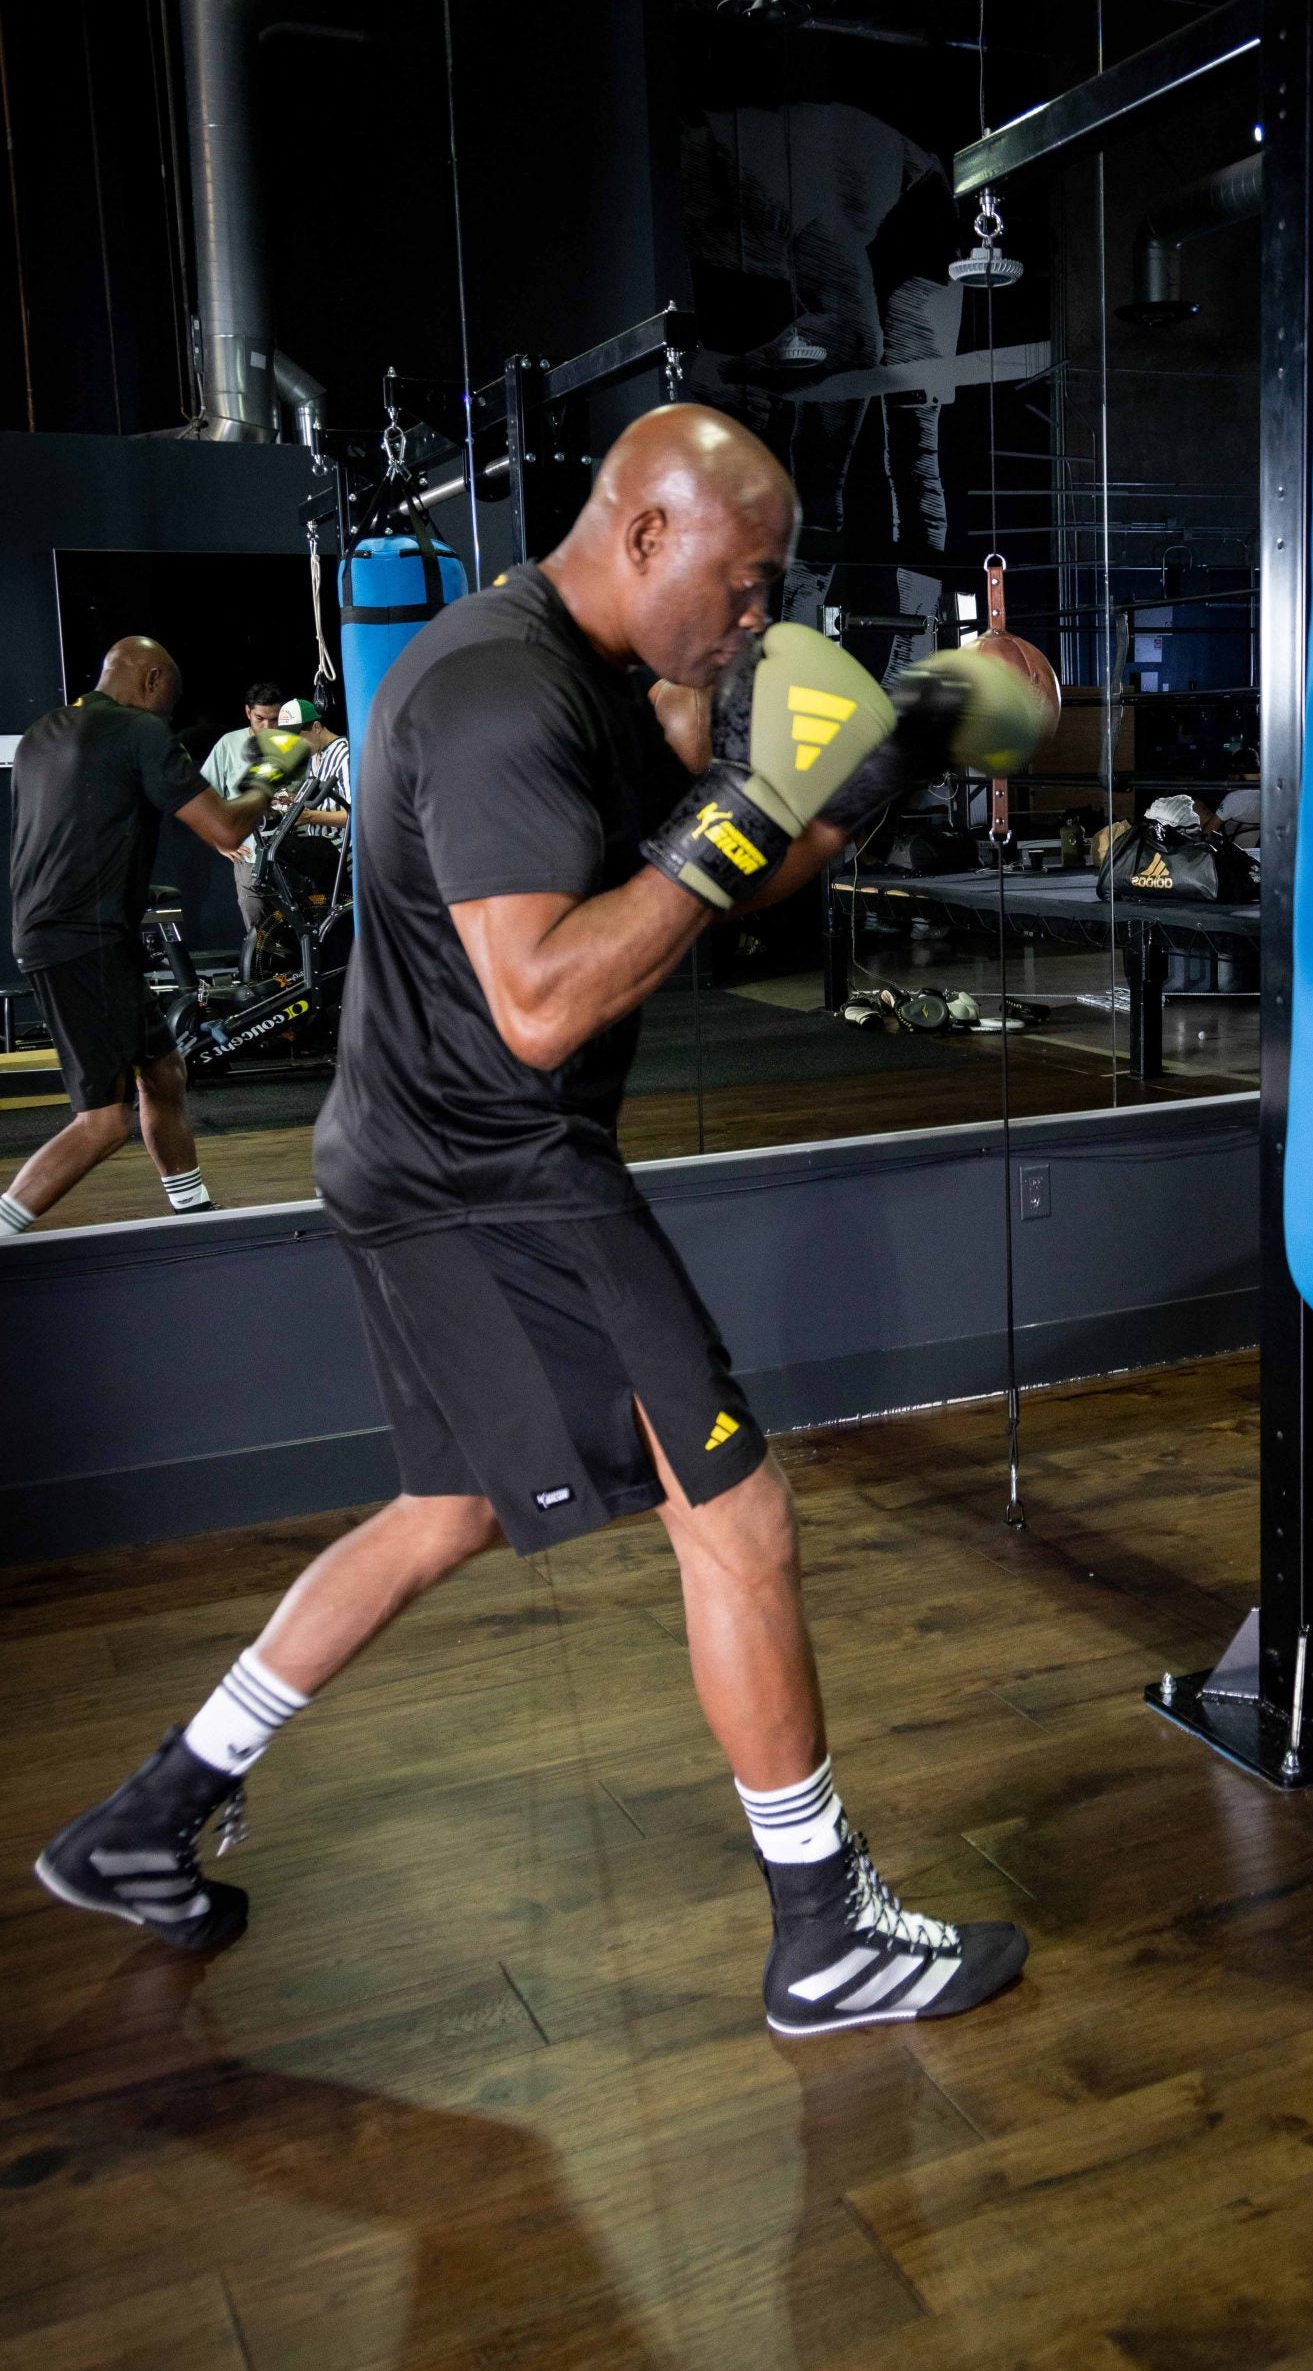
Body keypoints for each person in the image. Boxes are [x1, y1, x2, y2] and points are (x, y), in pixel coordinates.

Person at [35, 407, 1039, 2040]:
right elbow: (545, 1000)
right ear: (645, 533)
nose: (753, 614)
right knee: (738, 1519)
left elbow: (710, 879)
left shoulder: (578, 678)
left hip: (423, 1160)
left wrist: (897, 753)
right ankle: (821, 1928)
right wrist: (751, 799)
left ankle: (152, 1810)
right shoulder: (502, 694)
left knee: (445, 1508)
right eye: (744, 576)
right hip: (491, 1170)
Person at [2, 639, 310, 1234]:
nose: (171, 712)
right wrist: (270, 774)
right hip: (79, 942)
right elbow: (223, 823)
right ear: (149, 680)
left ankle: (191, 1210)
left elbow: (69, 831)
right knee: (104, 1122)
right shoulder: (136, 732)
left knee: (164, 1071)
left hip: (78, 934)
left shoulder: (45, 733)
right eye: (170, 697)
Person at [202, 682, 285, 933]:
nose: (268, 726)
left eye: (274, 719)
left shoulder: (291, 743)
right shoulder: (229, 744)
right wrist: (219, 841)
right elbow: (204, 795)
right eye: (261, 718)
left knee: (296, 926)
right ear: (248, 712)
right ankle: (262, 973)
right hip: (250, 855)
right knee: (258, 929)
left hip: (290, 853)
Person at [275, 696, 350, 836]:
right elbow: (319, 800)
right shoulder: (315, 754)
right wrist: (292, 799)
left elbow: (357, 814)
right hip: (319, 843)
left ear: (316, 727)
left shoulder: (344, 755)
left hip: (341, 847)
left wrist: (310, 817)